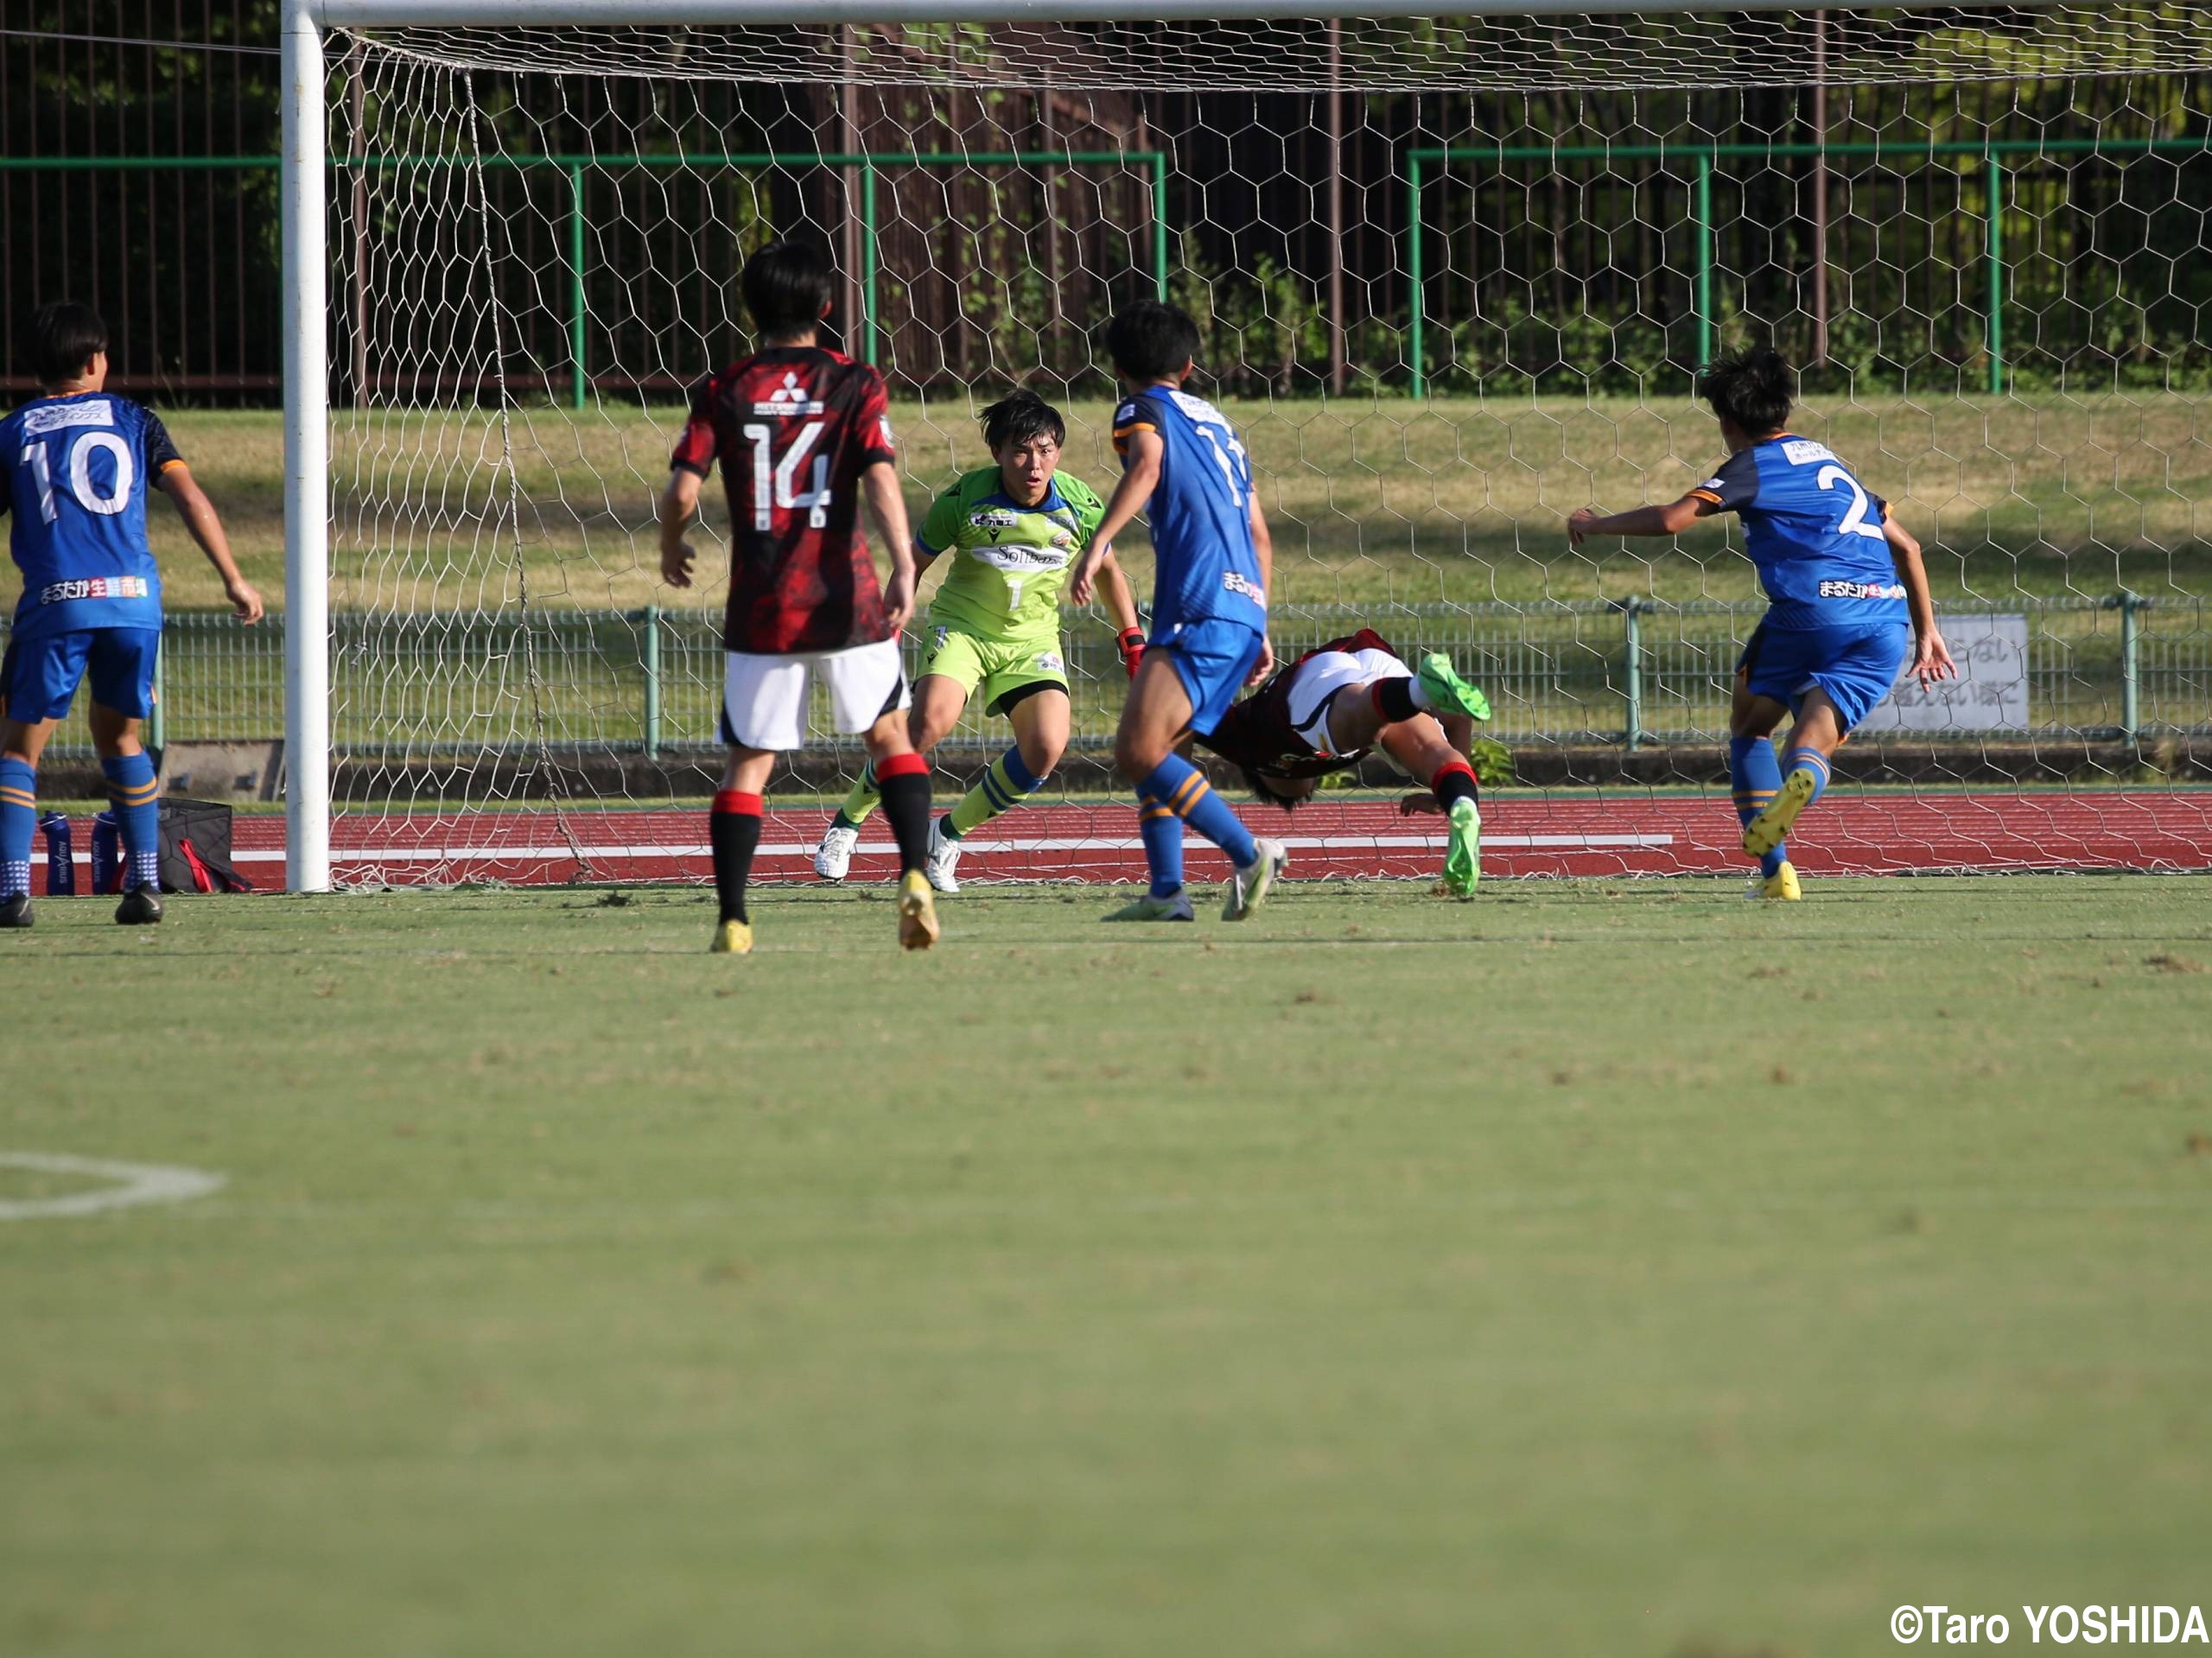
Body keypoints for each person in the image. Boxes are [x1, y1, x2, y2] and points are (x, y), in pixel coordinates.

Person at [1567, 347, 1955, 899]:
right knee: (1813, 742)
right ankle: (1802, 782)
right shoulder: (1832, 463)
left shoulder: (1751, 466)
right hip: (1884, 620)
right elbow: (1910, 547)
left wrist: (1597, 522)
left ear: (1727, 422)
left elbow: (1673, 520)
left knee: (1750, 728)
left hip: (1811, 612)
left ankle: (1777, 874)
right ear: (1787, 414)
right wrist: (1929, 633)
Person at [659, 240, 936, 953]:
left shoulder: (725, 387)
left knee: (749, 763)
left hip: (763, 606)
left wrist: (670, 543)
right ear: (825, 308)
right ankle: (912, 874)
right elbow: (878, 477)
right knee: (888, 739)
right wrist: (903, 560)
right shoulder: (855, 380)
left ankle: (733, 918)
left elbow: (683, 490)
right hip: (848, 597)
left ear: (750, 310)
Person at [812, 391, 1142, 893]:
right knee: (924, 728)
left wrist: (1132, 639)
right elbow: (912, 565)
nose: (1035, 464)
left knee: (1046, 748)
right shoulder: (966, 497)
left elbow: (1110, 573)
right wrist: (887, 630)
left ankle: (945, 835)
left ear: (1059, 451)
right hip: (962, 631)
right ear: (997, 453)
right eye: (1021, 451)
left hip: (1031, 642)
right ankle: (847, 824)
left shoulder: (1080, 504)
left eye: (1046, 450)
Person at [0, 302, 264, 929]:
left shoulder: (13, 432)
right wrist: (233, 578)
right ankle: (144, 881)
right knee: (121, 737)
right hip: (131, 602)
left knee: (15, 751)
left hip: (57, 603)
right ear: (97, 361)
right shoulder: (134, 419)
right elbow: (190, 494)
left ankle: (12, 892)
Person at [1066, 302, 1287, 923]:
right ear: (1189, 366)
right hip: (1241, 606)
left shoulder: (1143, 410)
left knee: (1137, 751)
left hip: (1198, 602)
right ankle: (1167, 891)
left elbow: (1148, 465)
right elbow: (1261, 534)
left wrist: (1099, 543)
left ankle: (1250, 854)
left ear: (1117, 368)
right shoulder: (1221, 428)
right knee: (1161, 747)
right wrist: (1259, 621)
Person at [1197, 628, 1492, 896]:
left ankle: (1421, 691)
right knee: (1426, 749)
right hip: (1380, 664)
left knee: (1350, 730)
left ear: (1264, 776)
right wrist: (1447, 797)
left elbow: (1186, 715)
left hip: (1319, 679)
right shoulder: (1313, 758)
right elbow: (1459, 718)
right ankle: (1464, 804)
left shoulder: (1248, 747)